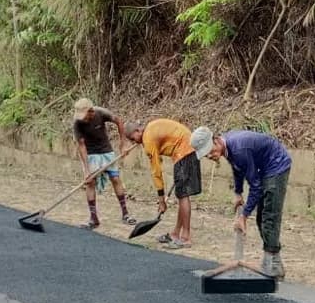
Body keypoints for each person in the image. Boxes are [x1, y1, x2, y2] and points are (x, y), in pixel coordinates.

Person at [189, 126, 291, 278]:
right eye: (206, 155)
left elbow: (255, 186)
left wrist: (243, 216)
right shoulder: (228, 147)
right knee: (261, 218)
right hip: (263, 167)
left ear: (216, 141)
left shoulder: (239, 149)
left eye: (210, 151)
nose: (209, 156)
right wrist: (238, 192)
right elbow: (237, 168)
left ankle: (274, 265)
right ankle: (271, 261)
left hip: (276, 164)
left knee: (269, 216)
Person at [124, 118, 200, 249]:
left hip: (185, 151)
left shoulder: (148, 139)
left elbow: (156, 171)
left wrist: (161, 200)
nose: (133, 142)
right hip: (186, 149)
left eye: (133, 138)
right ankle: (176, 234)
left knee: (183, 195)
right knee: (181, 195)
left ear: (138, 130)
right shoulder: (150, 130)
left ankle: (186, 237)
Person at [72, 98, 135, 229]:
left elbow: (118, 121)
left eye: (84, 115)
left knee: (116, 179)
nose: (82, 119)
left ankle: (125, 214)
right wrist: (87, 169)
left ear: (90, 111)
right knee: (90, 183)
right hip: (91, 154)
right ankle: (93, 219)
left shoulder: (101, 113)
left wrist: (123, 144)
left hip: (106, 151)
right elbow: (81, 146)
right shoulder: (77, 123)